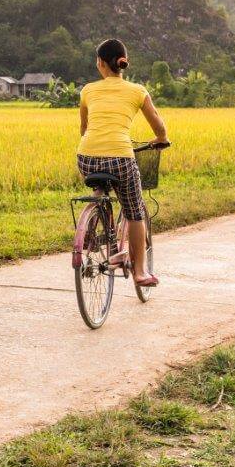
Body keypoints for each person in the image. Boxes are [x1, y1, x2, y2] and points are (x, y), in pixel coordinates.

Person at [77, 38, 169, 288]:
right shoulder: (137, 91)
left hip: (86, 158)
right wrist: (161, 139)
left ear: (100, 63)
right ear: (122, 63)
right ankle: (139, 271)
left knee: (101, 184)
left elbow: (84, 129)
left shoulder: (87, 90)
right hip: (121, 158)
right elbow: (159, 126)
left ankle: (98, 217)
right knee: (135, 210)